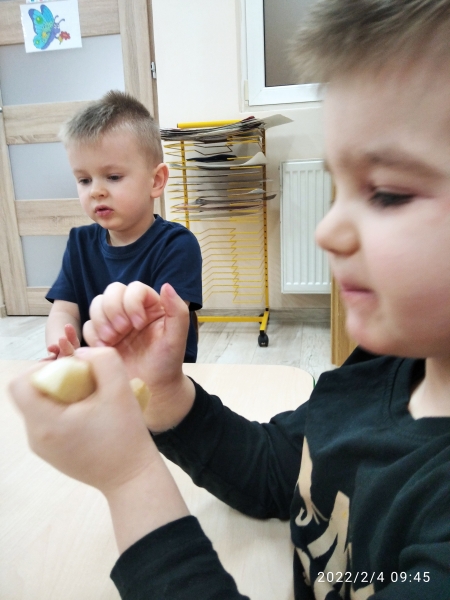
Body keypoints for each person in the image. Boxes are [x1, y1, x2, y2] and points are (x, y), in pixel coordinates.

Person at [10, 0, 450, 598]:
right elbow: (277, 471)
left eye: (389, 193)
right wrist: (166, 393)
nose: (326, 230)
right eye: (339, 186)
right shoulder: (381, 370)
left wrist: (131, 477)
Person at [45, 90, 202, 363]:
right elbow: (64, 310)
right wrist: (61, 345)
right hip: (96, 369)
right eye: (84, 180)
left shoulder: (177, 245)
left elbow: (165, 323)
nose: (96, 191)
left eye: (113, 176)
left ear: (156, 181)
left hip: (159, 372)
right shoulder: (79, 243)